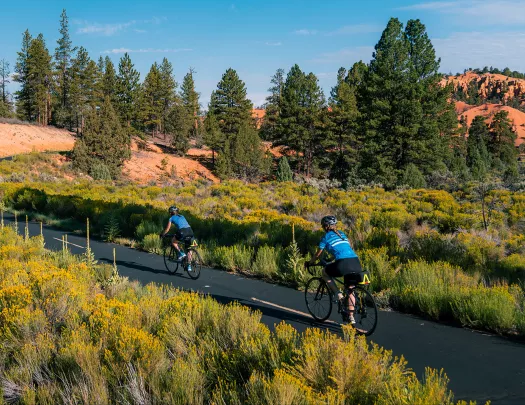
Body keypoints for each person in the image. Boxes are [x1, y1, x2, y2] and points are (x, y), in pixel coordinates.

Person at [307, 215, 364, 324]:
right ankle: (351, 317)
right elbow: (342, 250)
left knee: (325, 273)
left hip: (343, 263)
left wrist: (311, 262)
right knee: (350, 288)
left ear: (326, 226)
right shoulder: (342, 234)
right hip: (355, 262)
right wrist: (330, 259)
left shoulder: (326, 237)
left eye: (323, 226)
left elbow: (318, 255)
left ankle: (338, 295)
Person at [160, 206, 194, 271]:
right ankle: (189, 266)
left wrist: (163, 234)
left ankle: (182, 254)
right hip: (190, 231)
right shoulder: (182, 216)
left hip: (182, 231)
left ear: (170, 213)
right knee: (189, 248)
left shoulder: (171, 218)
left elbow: (167, 229)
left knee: (173, 241)